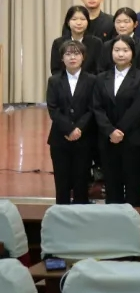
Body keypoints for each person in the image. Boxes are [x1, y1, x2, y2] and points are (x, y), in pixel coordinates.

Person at [93, 36, 140, 205]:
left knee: (134, 186)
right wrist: (110, 131)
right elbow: (97, 107)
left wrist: (120, 131)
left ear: (133, 53)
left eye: (125, 50)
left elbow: (138, 107)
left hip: (132, 138)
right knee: (112, 186)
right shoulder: (101, 78)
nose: (121, 54)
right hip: (108, 139)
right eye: (116, 50)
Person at [46, 40, 96, 204]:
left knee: (82, 181)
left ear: (83, 57)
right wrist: (69, 129)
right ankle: (61, 213)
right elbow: (53, 109)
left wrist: (79, 128)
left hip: (84, 137)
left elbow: (92, 108)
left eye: (76, 53)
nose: (72, 57)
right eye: (68, 54)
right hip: (60, 138)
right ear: (62, 58)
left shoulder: (92, 80)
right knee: (62, 182)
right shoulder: (54, 80)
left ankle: (81, 215)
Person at [50, 5, 103, 76]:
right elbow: (55, 70)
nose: (79, 23)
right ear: (68, 22)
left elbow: (99, 69)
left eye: (83, 19)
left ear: (88, 22)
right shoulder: (58, 43)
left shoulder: (96, 43)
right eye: (74, 19)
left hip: (90, 82)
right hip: (64, 82)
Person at [103, 9, 140, 73]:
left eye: (126, 22)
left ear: (135, 24)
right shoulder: (107, 45)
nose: (122, 25)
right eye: (118, 22)